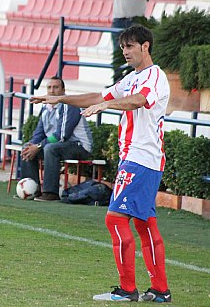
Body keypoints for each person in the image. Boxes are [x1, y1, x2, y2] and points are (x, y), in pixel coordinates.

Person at [31, 25, 171, 303]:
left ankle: (127, 289)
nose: (125, 52)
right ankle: (160, 290)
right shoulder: (131, 78)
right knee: (144, 224)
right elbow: (98, 96)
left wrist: (109, 106)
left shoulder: (155, 76)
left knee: (115, 219)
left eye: (130, 46)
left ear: (145, 46)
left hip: (140, 159)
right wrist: (60, 99)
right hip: (139, 159)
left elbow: (139, 101)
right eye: (122, 48)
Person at [20, 77, 93, 202]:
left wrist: (38, 147)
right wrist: (32, 145)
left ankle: (50, 193)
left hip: (80, 146)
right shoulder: (45, 108)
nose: (52, 91)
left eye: (56, 87)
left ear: (63, 90)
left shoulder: (69, 106)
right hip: (58, 146)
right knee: (27, 147)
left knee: (49, 148)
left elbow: (62, 135)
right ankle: (32, 190)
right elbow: (40, 132)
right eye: (49, 87)